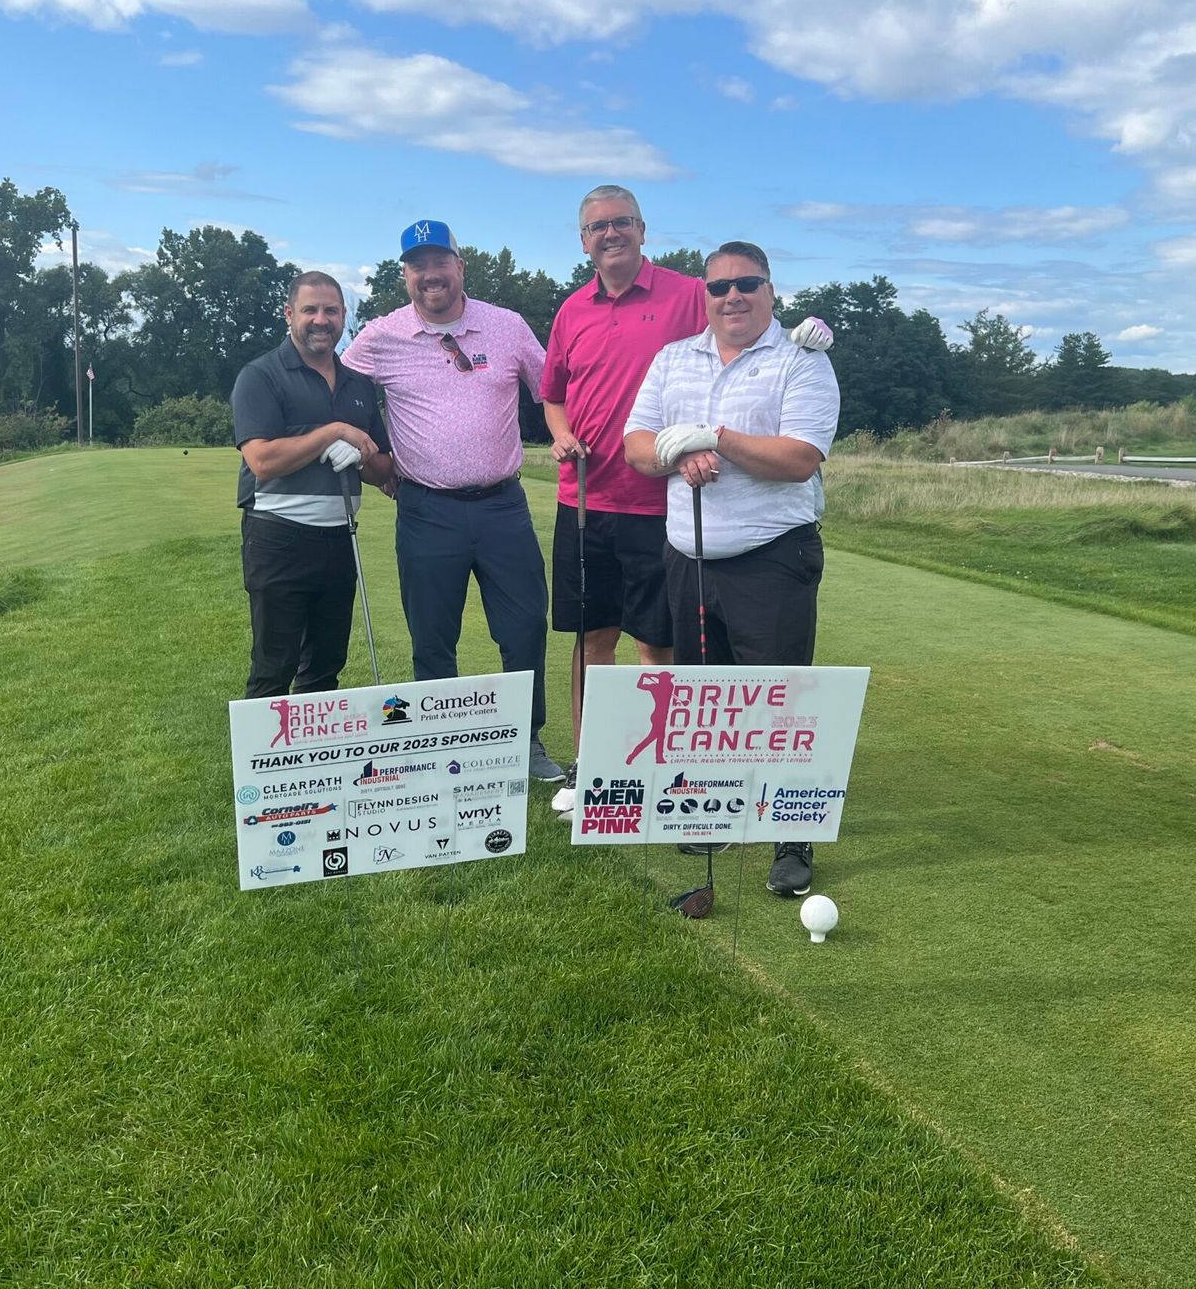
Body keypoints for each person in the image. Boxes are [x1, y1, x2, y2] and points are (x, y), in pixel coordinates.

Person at [543, 185, 832, 790]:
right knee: (601, 642)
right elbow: (564, 398)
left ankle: (755, 807)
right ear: (583, 240)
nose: (730, 295)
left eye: (623, 222)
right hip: (598, 502)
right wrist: (573, 434)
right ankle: (601, 769)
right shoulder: (584, 315)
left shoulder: (691, 297)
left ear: (642, 229)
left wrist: (806, 331)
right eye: (598, 226)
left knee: (672, 652)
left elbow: (799, 450)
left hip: (674, 517)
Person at [623, 241, 841, 897]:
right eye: (719, 287)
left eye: (747, 284)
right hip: (688, 555)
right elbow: (636, 445)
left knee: (780, 704)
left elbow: (799, 458)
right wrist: (677, 452)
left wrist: (714, 437)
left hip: (771, 557)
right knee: (705, 699)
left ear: (770, 291)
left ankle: (791, 835)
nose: (733, 297)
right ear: (705, 296)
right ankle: (714, 812)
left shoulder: (801, 359)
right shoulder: (672, 358)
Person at [342, 219, 565, 782]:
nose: (430, 274)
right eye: (418, 265)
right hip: (426, 509)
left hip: (502, 506)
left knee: (523, 627)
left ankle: (525, 739)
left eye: (440, 262)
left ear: (460, 267)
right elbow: (336, 393)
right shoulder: (381, 336)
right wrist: (377, 458)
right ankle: (440, 745)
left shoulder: (506, 325)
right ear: (405, 275)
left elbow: (554, 389)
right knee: (433, 635)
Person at [231, 271, 393, 700]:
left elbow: (382, 470)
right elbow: (262, 461)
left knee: (325, 667)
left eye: (331, 311)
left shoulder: (358, 384)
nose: (321, 320)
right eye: (310, 310)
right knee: (274, 666)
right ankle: (264, 747)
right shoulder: (260, 375)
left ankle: (315, 748)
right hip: (278, 537)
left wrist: (362, 455)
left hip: (340, 538)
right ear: (289, 314)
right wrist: (333, 432)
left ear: (343, 316)